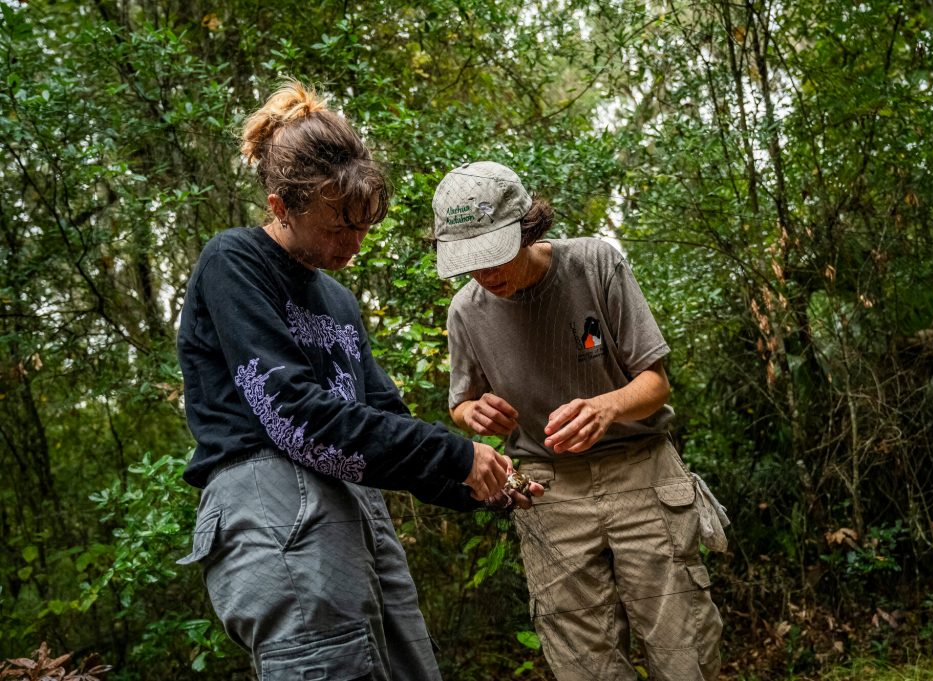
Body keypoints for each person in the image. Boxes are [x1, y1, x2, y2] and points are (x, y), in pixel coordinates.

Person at [175, 84, 540, 681]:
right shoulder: (234, 262)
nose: (353, 245)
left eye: (363, 227)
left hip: (355, 502)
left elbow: (385, 418)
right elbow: (291, 416)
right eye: (338, 227)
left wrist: (478, 481)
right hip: (271, 498)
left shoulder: (338, 299)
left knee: (408, 668)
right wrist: (453, 453)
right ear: (281, 206)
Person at [433, 161, 730, 680]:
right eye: (469, 263)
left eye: (494, 254)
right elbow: (462, 401)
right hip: (547, 491)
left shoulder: (594, 264)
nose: (485, 274)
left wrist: (606, 406)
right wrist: (473, 413)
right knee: (583, 664)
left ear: (528, 228)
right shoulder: (466, 312)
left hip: (641, 473)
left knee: (683, 649)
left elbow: (655, 382)